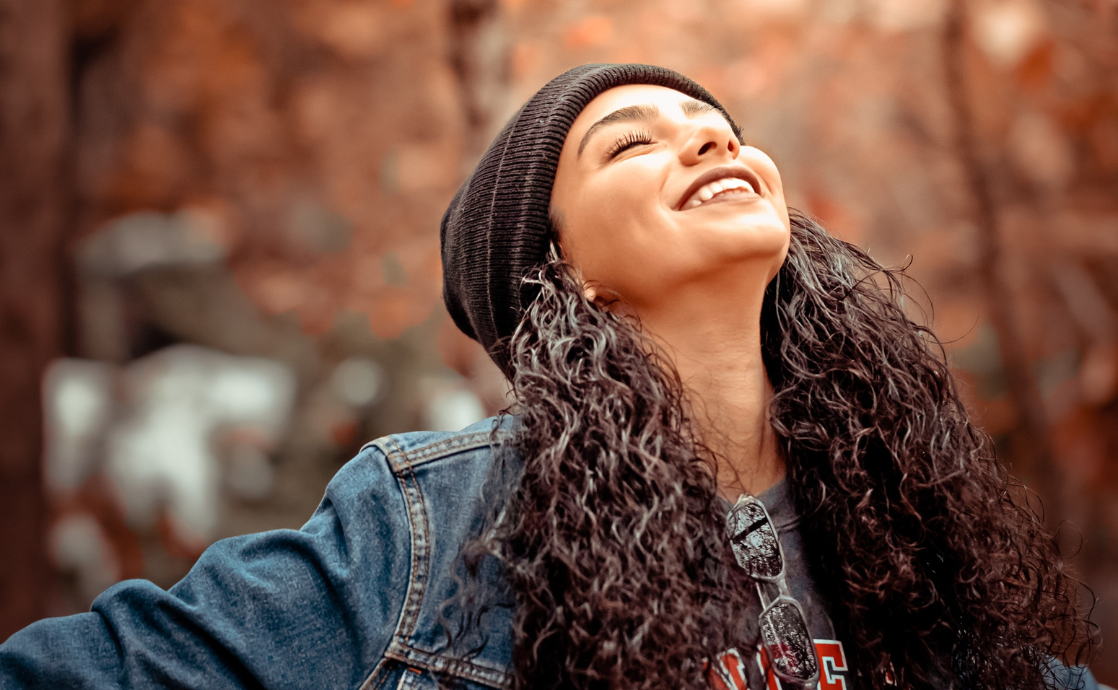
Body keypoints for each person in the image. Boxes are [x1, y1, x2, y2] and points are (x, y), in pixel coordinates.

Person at [0, 64, 1101, 690]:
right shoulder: (432, 528)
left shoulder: (889, 516)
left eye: (718, 131)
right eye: (630, 145)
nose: (712, 146)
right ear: (557, 269)